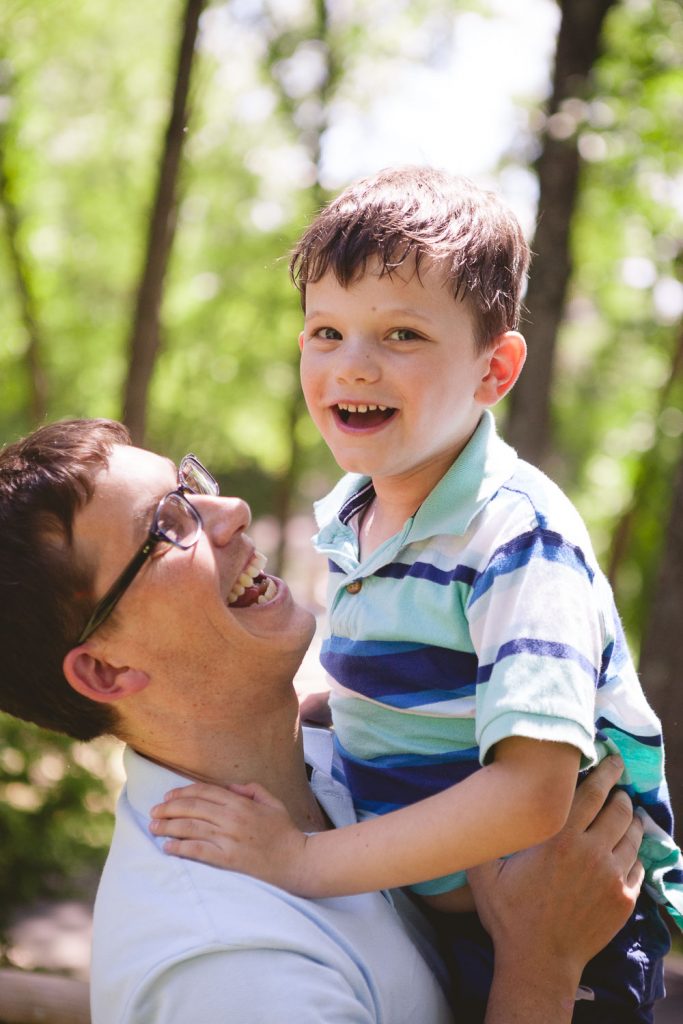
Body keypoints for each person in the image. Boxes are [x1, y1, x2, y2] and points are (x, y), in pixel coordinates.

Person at [150, 167, 683, 1022]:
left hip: (561, 923)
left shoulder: (516, 539)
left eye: (400, 334)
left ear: (494, 370)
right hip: (438, 907)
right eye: (327, 331)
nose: (351, 364)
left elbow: (532, 791)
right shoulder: (360, 515)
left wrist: (300, 862)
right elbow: (420, 684)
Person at [0, 418, 645, 1024]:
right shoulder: (231, 973)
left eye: (188, 486)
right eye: (167, 526)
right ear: (105, 672)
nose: (231, 512)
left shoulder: (333, 753)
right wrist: (540, 967)